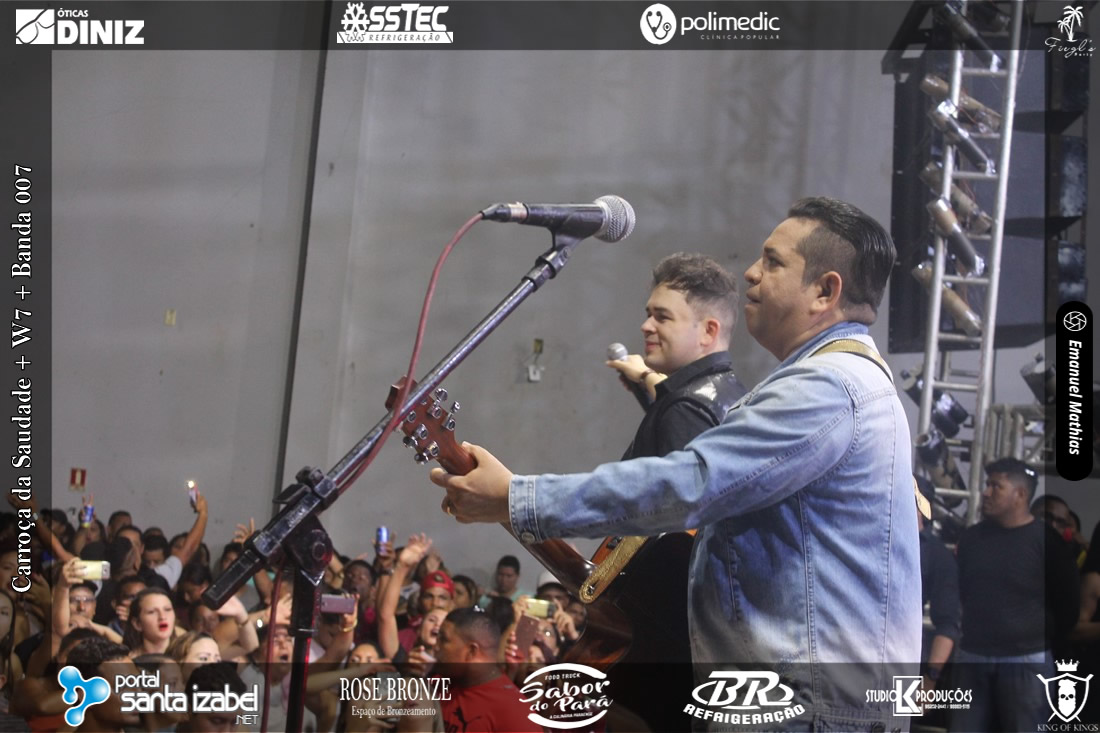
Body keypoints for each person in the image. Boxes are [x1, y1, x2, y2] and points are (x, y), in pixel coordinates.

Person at [432, 197, 921, 730]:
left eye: (773, 261)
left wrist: (516, 497)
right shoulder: (855, 382)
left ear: (825, 291)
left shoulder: (829, 387)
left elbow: (692, 482)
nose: (751, 272)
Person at [949, 457, 1081, 732]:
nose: (986, 492)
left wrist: (1038, 636)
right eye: (987, 484)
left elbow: (1068, 604)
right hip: (973, 655)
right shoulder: (972, 538)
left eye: (996, 486)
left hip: (1026, 658)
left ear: (1020, 495)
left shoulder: (1047, 542)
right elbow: (961, 591)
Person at [433, 608, 541, 732]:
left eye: (443, 640)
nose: (436, 647)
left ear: (471, 650)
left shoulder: (514, 714)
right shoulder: (437, 685)